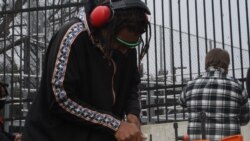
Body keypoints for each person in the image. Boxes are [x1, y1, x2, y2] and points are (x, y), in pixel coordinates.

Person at [21, 0, 151, 141]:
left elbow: (132, 83)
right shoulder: (72, 37)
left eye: (130, 45)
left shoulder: (126, 46)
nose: (125, 51)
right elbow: (60, 98)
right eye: (120, 44)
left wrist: (133, 113)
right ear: (103, 23)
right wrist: (114, 125)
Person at [178, 48, 250, 141]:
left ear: (206, 63)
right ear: (227, 65)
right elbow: (245, 119)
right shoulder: (237, 86)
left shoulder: (190, 85)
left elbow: (181, 102)